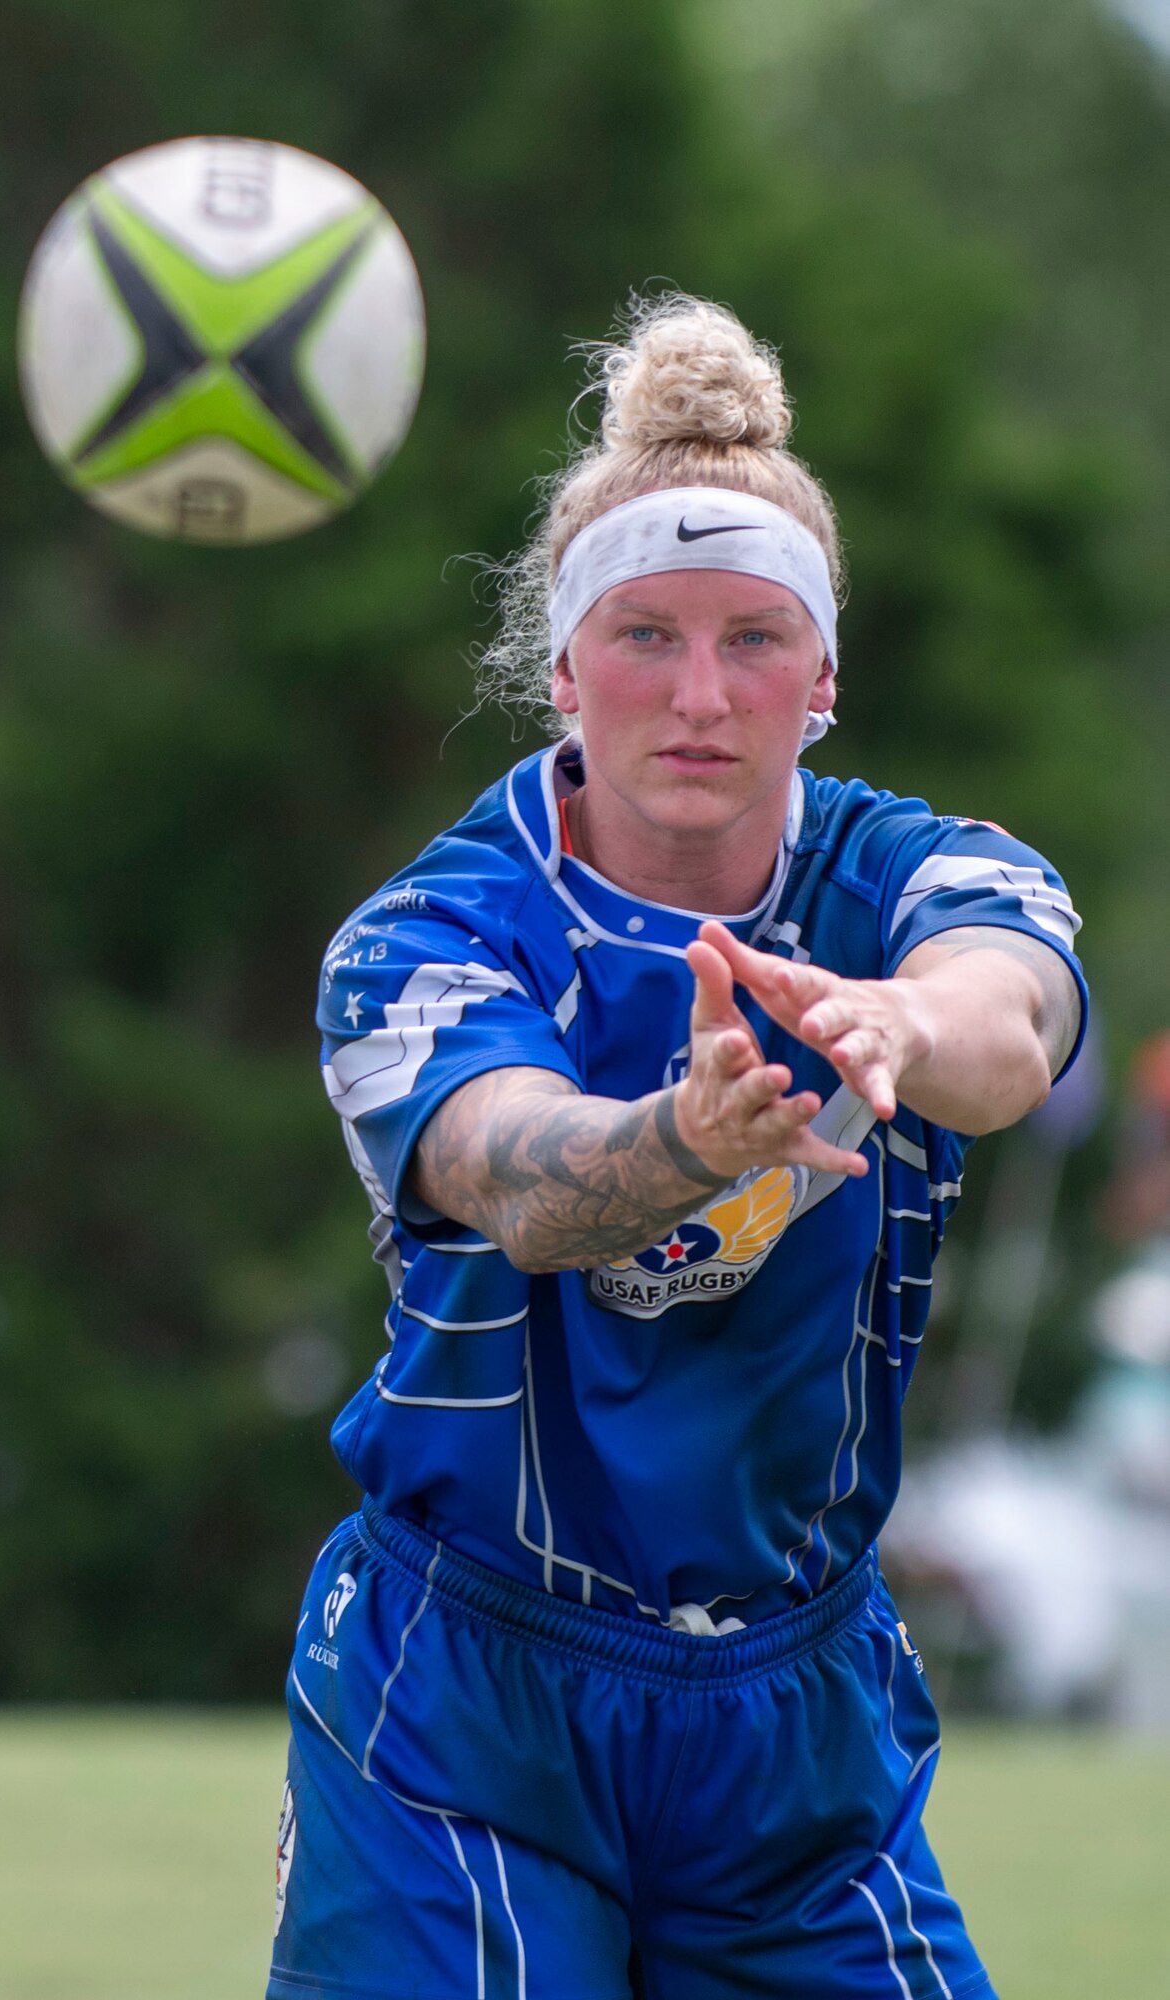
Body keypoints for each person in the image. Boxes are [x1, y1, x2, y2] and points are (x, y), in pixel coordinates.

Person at [268, 297, 1086, 2000]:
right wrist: (683, 1137)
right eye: (644, 636)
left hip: (797, 1709)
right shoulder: (425, 933)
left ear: (828, 674)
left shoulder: (928, 878)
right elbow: (513, 1172)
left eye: (754, 638)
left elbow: (1008, 1023)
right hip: (467, 1693)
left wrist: (898, 1028)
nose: (700, 695)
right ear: (561, 669)